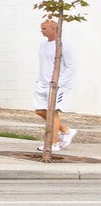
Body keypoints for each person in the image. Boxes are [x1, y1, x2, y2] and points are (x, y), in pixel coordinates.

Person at [36, 19, 78, 152]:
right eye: (41, 28)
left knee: (52, 112)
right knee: (40, 110)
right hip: (43, 83)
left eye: (44, 28)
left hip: (58, 85)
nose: (41, 31)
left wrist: (59, 83)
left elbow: (71, 66)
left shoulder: (63, 45)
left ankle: (53, 143)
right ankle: (66, 131)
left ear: (54, 29)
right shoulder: (43, 45)